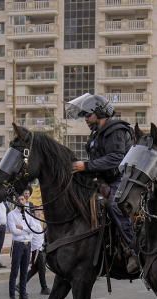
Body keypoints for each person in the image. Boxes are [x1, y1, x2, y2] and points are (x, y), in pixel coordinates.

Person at [66, 92, 139, 274]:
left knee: (115, 205)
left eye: (87, 115)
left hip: (123, 181)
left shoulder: (116, 130)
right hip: (103, 180)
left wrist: (86, 165)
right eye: (83, 115)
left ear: (100, 113)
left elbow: (116, 159)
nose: (85, 119)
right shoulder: (96, 135)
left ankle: (134, 249)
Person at [7, 190, 34, 299]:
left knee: (24, 271)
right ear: (17, 201)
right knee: (15, 271)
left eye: (24, 199)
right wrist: (25, 229)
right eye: (22, 199)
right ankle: (12, 296)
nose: (24, 201)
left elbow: (32, 228)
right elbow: (14, 231)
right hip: (18, 245)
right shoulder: (11, 214)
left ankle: (23, 295)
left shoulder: (28, 213)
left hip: (28, 245)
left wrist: (21, 227)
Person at [23, 187, 50, 295]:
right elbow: (29, 236)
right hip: (37, 250)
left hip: (40, 248)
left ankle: (20, 284)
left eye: (40, 211)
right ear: (33, 213)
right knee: (41, 269)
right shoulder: (33, 223)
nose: (40, 213)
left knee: (34, 269)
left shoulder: (39, 222)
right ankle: (44, 288)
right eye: (38, 211)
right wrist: (30, 251)